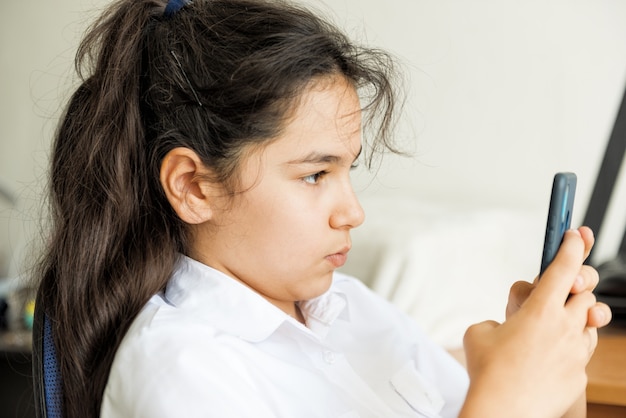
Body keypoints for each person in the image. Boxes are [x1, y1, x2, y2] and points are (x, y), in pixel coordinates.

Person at [34, 0, 611, 417]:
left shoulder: (352, 310)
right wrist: (507, 395)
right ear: (193, 187)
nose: (353, 212)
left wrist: (553, 368)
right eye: (315, 174)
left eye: (347, 169)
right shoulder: (181, 374)